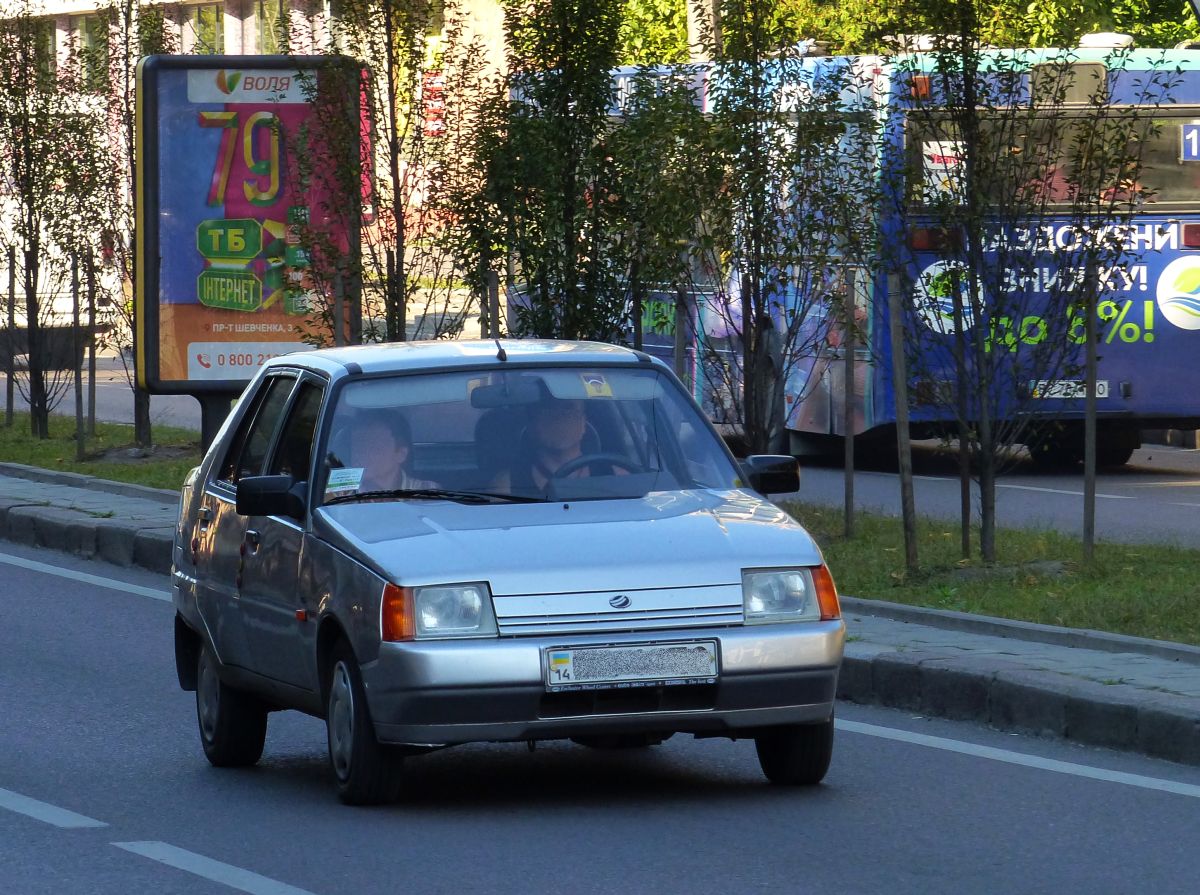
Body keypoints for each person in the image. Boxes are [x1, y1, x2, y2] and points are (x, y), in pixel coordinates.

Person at [492, 396, 625, 493]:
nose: (558, 417)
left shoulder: (618, 476)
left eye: (568, 408)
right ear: (532, 425)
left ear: (584, 423)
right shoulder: (507, 486)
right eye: (548, 409)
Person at [347, 409, 437, 492]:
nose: (361, 452)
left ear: (401, 454)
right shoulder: (341, 496)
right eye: (358, 444)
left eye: (373, 446)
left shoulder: (426, 492)